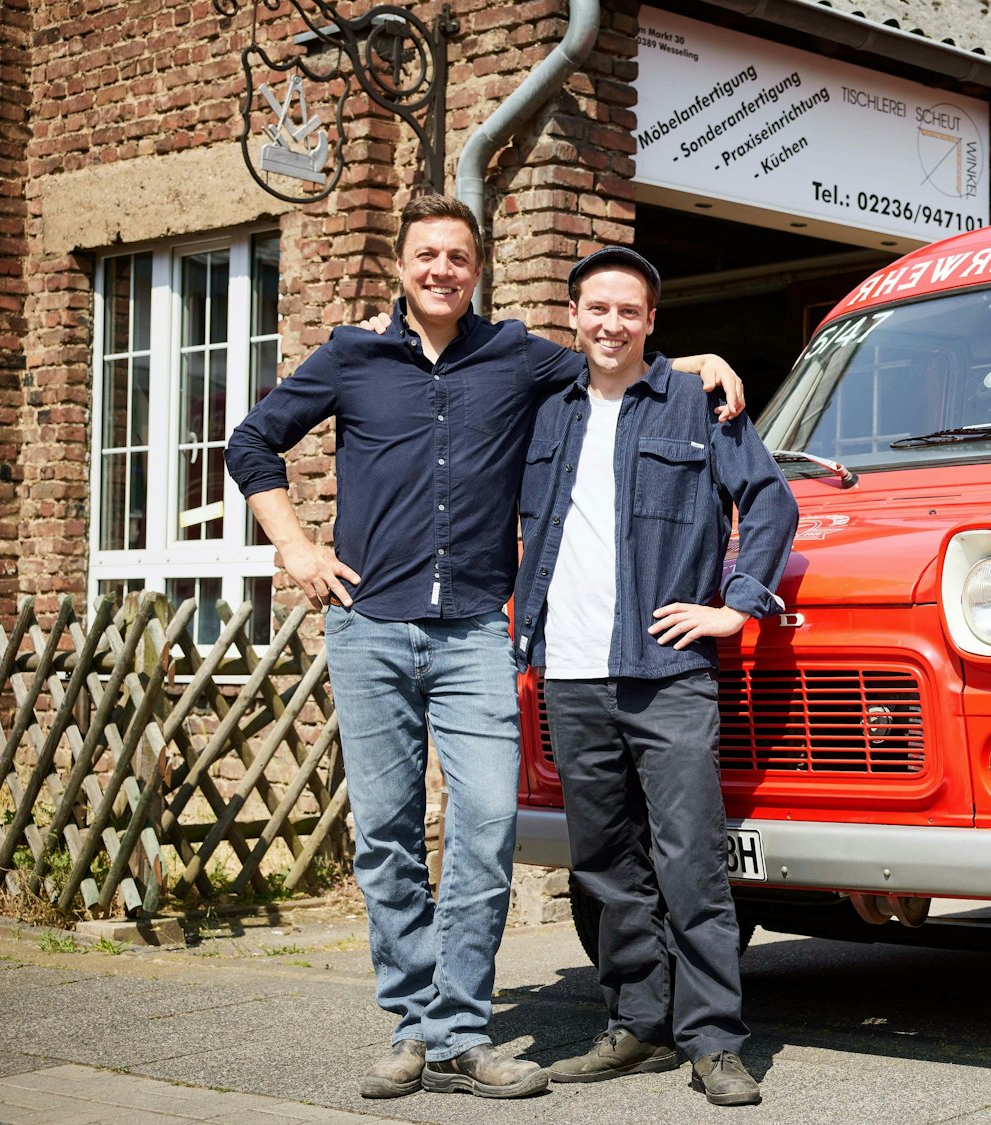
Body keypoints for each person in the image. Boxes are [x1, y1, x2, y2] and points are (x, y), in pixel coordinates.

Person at [225, 195, 747, 1100]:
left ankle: (462, 1027)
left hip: (475, 630)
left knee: (485, 828)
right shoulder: (352, 356)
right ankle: (412, 1022)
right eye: (426, 254)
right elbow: (253, 442)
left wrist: (696, 358)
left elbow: (617, 359)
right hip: (369, 626)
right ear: (400, 263)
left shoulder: (515, 356)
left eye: (458, 257)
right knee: (386, 834)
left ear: (478, 269)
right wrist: (297, 547)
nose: (441, 271)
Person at [514, 246, 796, 1107]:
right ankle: (637, 1024)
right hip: (570, 668)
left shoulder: (695, 399)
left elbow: (773, 501)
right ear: (573, 315)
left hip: (666, 668)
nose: (611, 324)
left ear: (650, 323)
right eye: (596, 309)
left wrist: (737, 605)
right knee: (604, 861)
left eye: (628, 312)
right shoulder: (544, 409)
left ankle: (713, 1038)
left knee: (691, 859)